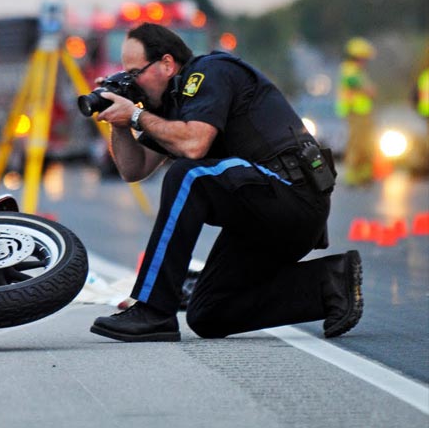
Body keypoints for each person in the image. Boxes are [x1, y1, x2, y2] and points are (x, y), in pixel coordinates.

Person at [88, 23, 362, 342]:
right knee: (209, 313)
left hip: (292, 195)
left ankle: (152, 310)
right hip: (259, 217)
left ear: (166, 63)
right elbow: (133, 169)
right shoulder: (170, 109)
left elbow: (194, 145)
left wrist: (135, 116)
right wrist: (118, 121)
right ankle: (329, 282)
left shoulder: (209, 72)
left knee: (187, 175)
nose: (131, 82)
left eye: (135, 73)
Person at [336, 37, 377, 186]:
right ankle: (354, 175)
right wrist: (369, 90)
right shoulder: (350, 69)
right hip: (355, 112)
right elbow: (356, 85)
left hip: (362, 112)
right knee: (356, 144)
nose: (366, 61)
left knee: (365, 143)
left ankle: (364, 174)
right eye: (364, 58)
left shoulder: (358, 70)